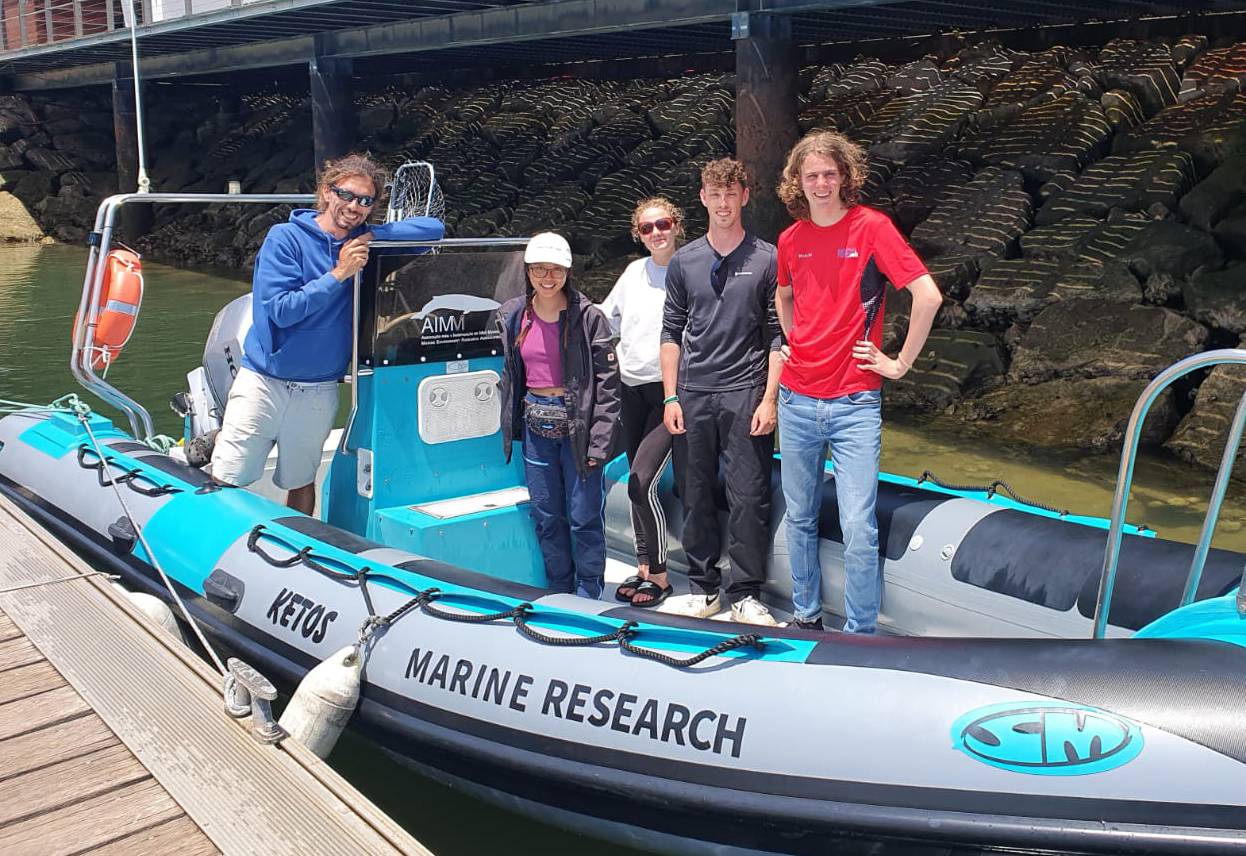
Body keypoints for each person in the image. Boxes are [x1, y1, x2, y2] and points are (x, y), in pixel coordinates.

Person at [774, 130, 942, 633]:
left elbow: (927, 295)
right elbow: (784, 296)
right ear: (797, 182)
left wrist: (898, 364)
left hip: (855, 403)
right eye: (811, 176)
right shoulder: (790, 239)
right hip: (796, 398)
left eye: (830, 174)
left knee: (858, 528)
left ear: (845, 176)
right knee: (800, 519)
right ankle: (805, 618)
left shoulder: (872, 228)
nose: (821, 183)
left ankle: (861, 632)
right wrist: (796, 338)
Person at [210, 153, 443, 514]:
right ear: (326, 192)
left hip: (319, 389)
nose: (354, 206)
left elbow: (433, 230)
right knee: (229, 474)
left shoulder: (363, 245)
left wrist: (371, 235)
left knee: (302, 481)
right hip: (264, 381)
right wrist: (340, 273)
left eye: (365, 201)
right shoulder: (285, 238)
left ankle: (297, 554)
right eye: (346, 195)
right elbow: (281, 311)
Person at [659, 158, 784, 626]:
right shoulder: (685, 261)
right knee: (694, 493)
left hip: (746, 390)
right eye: (715, 194)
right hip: (692, 393)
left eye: (732, 194)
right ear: (703, 198)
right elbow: (671, 332)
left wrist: (769, 399)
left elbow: (778, 335)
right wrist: (671, 397)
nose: (724, 203)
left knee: (750, 495)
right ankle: (704, 588)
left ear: (745, 197)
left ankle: (747, 594)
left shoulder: (767, 258)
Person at [498, 233, 621, 599]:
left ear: (568, 271)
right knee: (547, 515)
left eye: (555, 270)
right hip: (536, 423)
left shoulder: (589, 318)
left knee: (584, 516)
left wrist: (600, 441)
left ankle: (588, 591)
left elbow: (608, 385)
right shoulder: (513, 314)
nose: (547, 277)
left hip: (578, 427)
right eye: (539, 269)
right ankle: (559, 588)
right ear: (528, 271)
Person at [600, 197, 683, 607]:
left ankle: (662, 576)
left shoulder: (690, 269)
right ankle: (644, 568)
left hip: (668, 393)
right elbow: (606, 319)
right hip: (630, 389)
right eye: (647, 228)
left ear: (677, 225)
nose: (656, 233)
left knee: (640, 482)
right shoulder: (634, 271)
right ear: (639, 234)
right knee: (635, 476)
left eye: (663, 224)